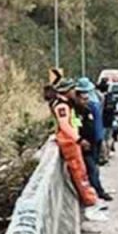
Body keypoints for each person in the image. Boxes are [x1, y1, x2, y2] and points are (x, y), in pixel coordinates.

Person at [45, 79, 99, 210]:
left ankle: (89, 198)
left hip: (70, 140)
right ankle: (89, 200)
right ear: (67, 91)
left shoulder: (66, 103)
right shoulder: (62, 106)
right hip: (68, 142)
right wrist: (78, 139)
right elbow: (64, 125)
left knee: (81, 170)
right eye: (73, 90)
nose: (75, 92)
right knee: (79, 171)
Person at [73, 77, 112, 201]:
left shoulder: (91, 106)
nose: (87, 99)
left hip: (95, 140)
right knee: (92, 168)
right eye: (84, 98)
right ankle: (97, 191)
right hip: (86, 143)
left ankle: (95, 190)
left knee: (93, 167)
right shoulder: (76, 110)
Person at [97, 79, 115, 163]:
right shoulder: (111, 96)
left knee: (103, 139)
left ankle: (104, 156)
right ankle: (108, 154)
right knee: (109, 138)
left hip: (103, 120)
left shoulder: (100, 97)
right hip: (110, 120)